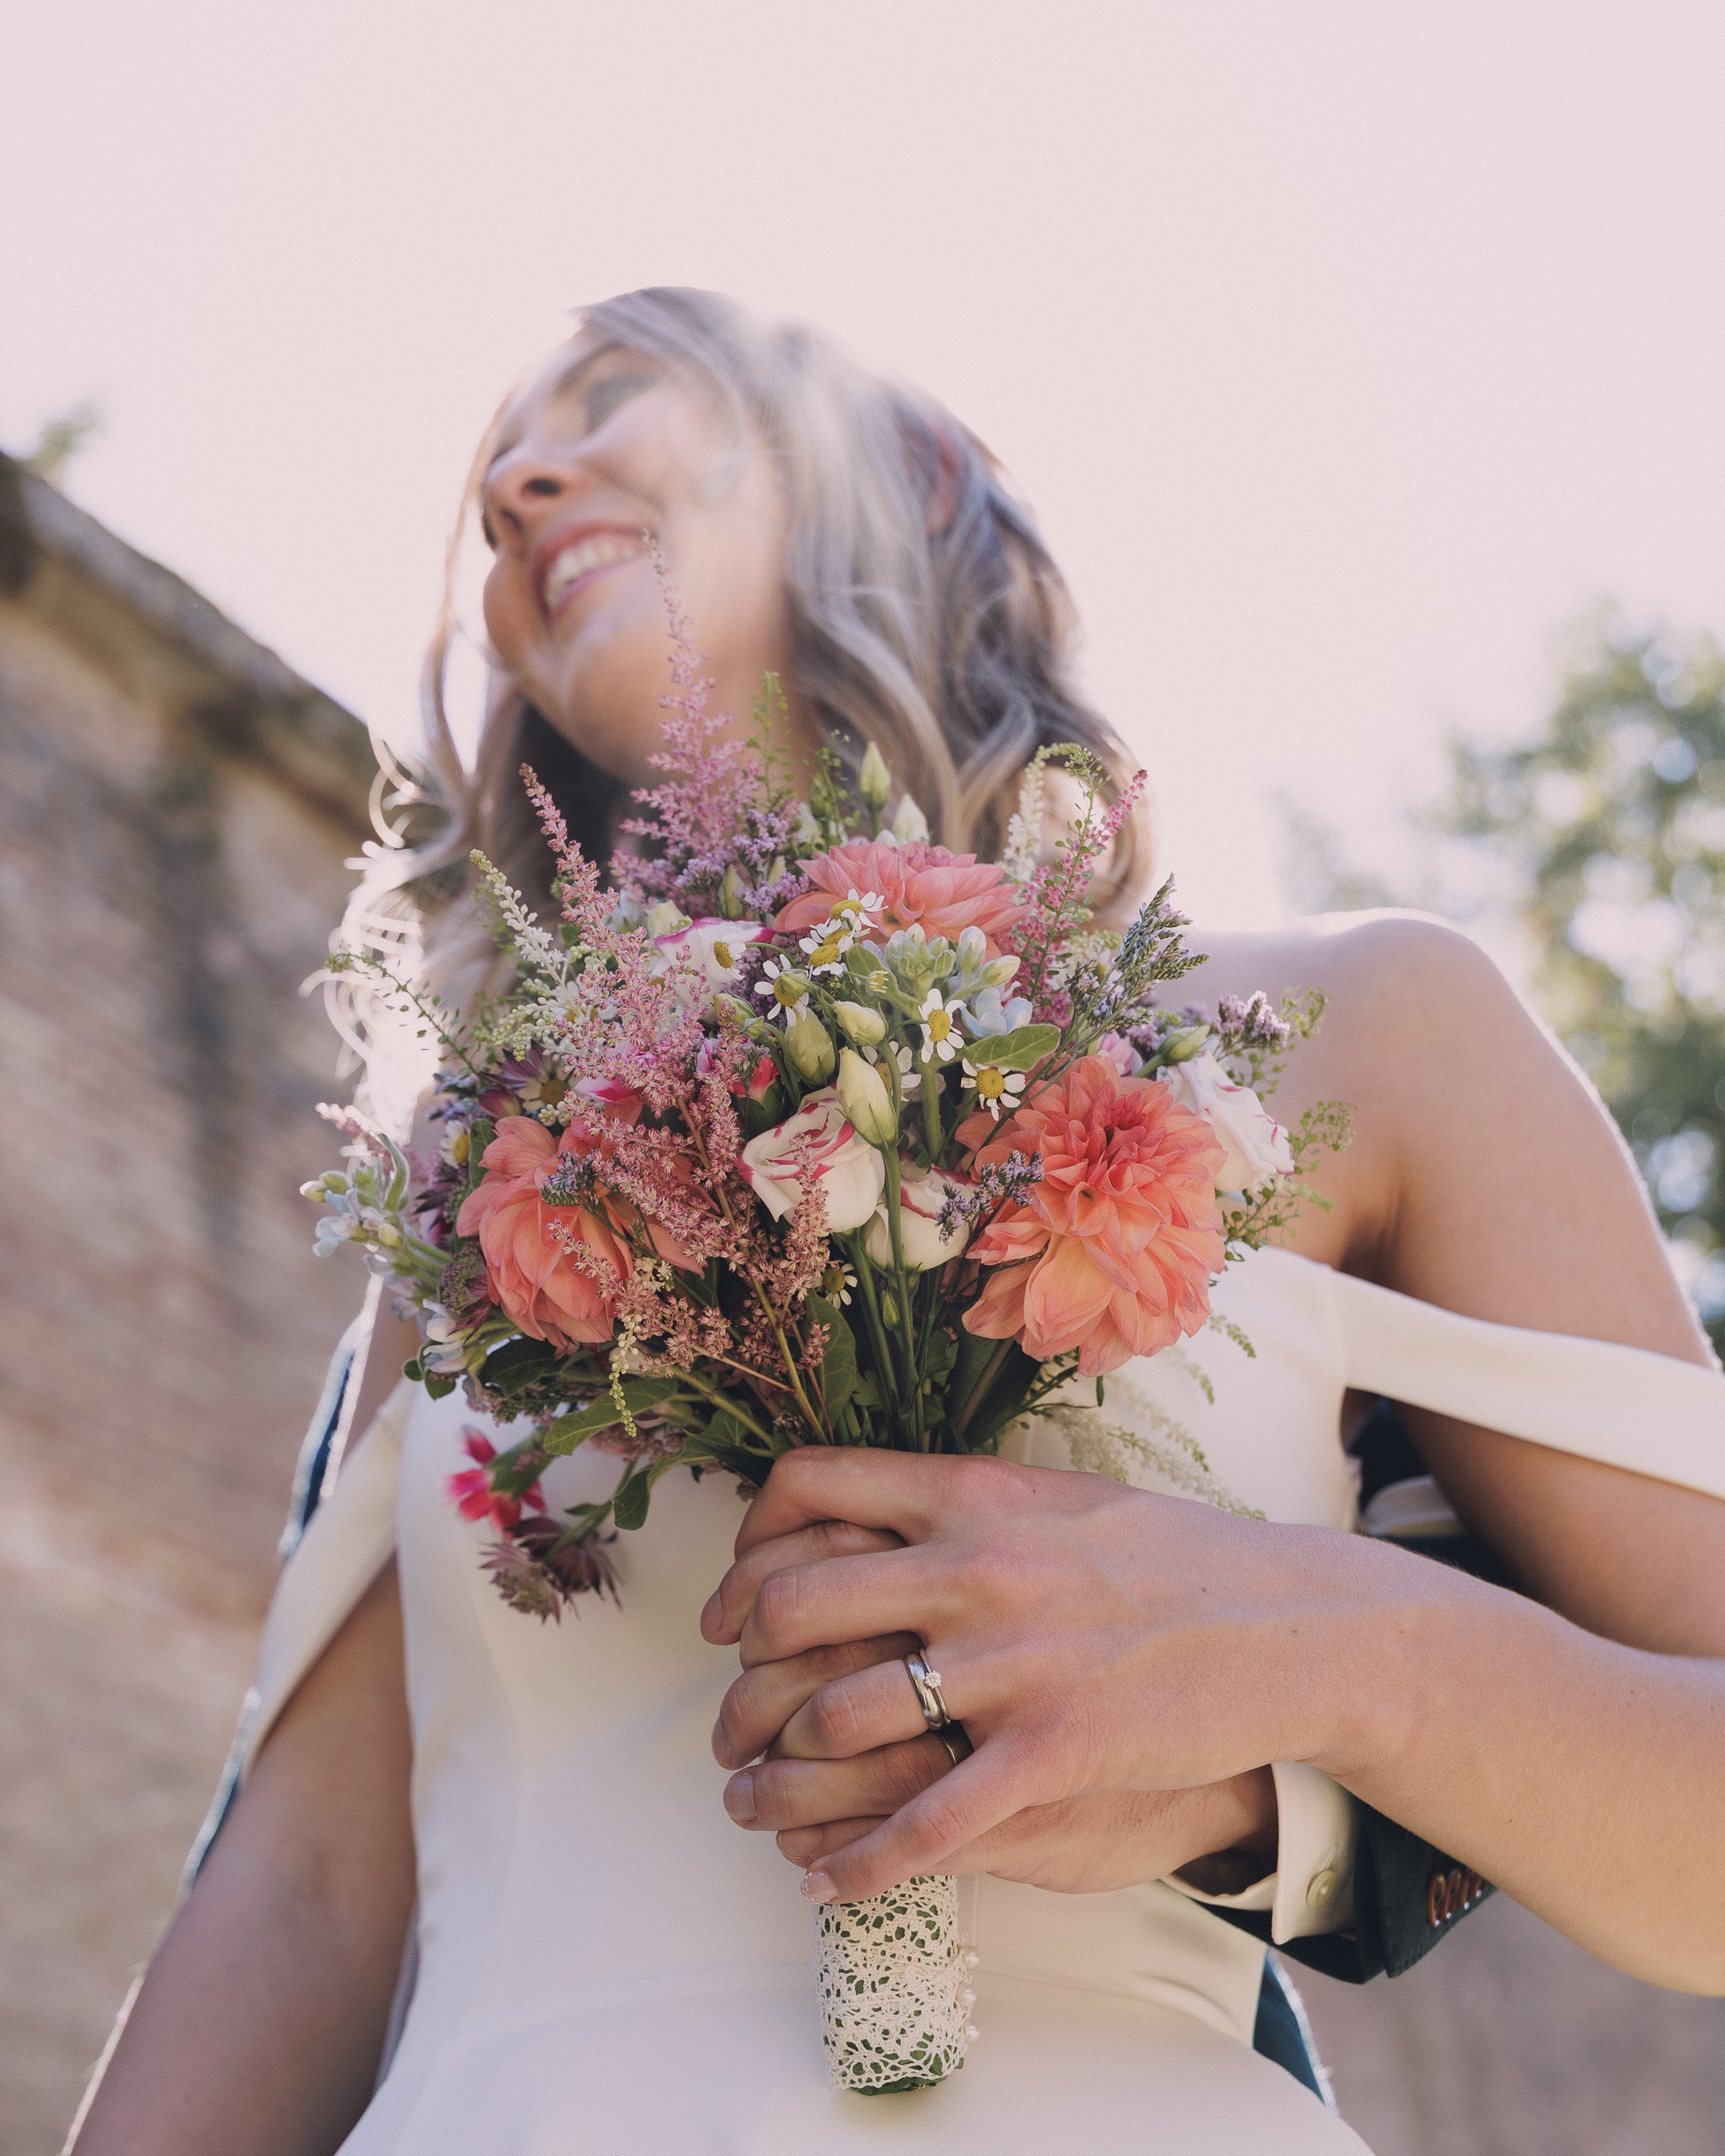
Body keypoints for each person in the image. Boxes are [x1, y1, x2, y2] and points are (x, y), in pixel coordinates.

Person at [66, 288, 1725, 2156]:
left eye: (619, 395)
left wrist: (1316, 1648)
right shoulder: (494, 1178)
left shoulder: (1376, 1034)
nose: (522, 488)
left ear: (909, 471)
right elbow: (298, 1904)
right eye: (495, 494)